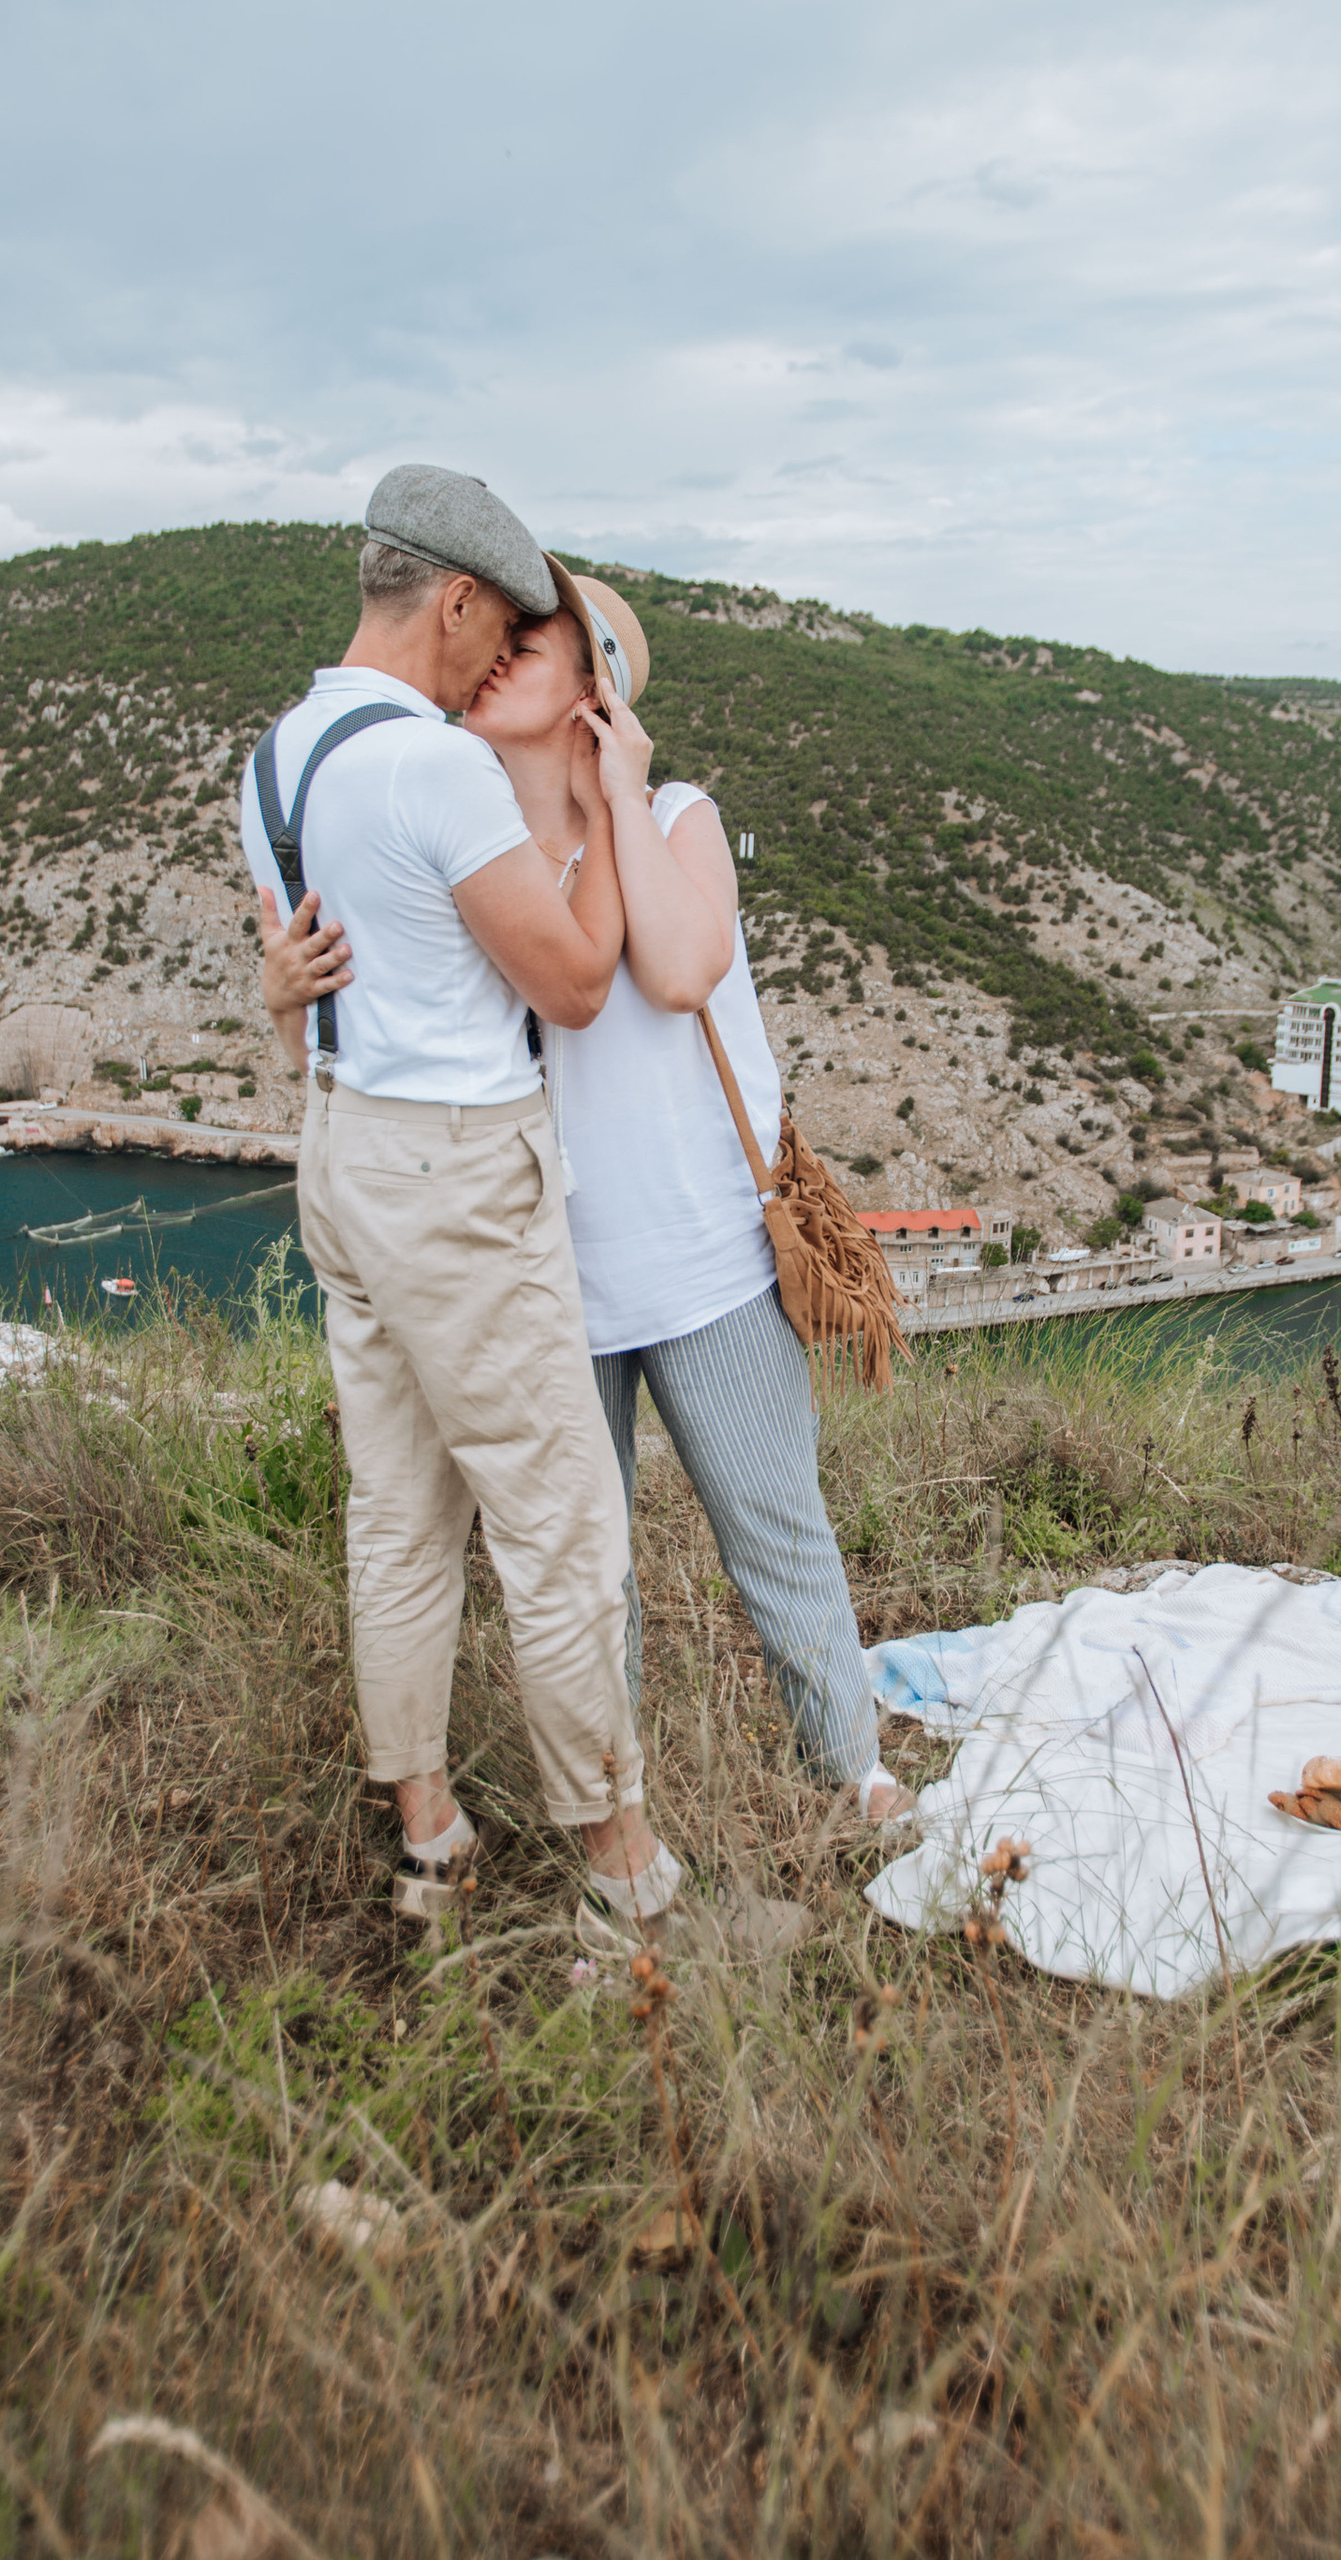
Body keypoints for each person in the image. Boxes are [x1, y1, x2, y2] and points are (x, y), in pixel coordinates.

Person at [264, 556, 913, 1829]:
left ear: (597, 684)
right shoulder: (467, 856)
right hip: (543, 1272)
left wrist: (618, 792)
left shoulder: (676, 815)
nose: (503, 646)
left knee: (775, 1534)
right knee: (581, 1574)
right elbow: (366, 1057)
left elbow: (674, 971)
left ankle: (854, 1773)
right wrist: (286, 1001)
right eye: (502, 628)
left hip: (708, 1260)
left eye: (541, 636)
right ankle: (619, 1826)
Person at [239, 464, 694, 1947]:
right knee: (559, 1528)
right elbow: (567, 981)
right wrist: (620, 829)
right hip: (458, 1173)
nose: (496, 658)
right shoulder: (432, 766)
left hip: (342, 1151)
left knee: (399, 1510)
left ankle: (428, 1833)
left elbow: (303, 984)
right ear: (448, 597)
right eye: (493, 625)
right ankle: (626, 1877)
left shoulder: (278, 758)